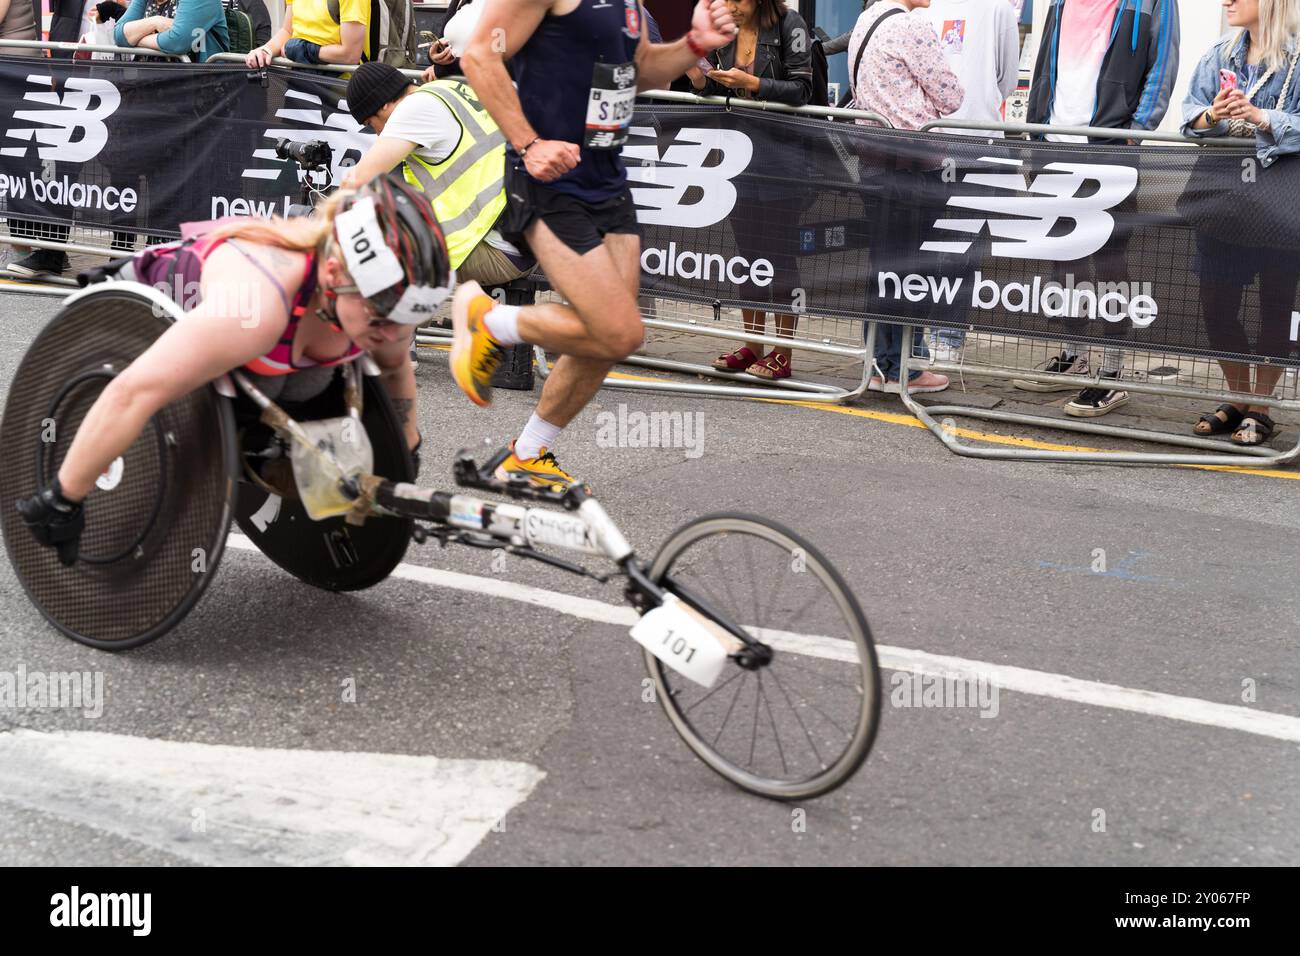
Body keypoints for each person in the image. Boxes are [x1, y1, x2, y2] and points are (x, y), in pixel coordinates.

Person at [14, 174, 447, 565]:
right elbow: (133, 391)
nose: (392, 334)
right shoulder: (255, 310)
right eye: (381, 317)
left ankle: (258, 438)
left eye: (404, 319)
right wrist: (63, 498)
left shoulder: (381, 305)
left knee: (311, 385)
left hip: (247, 349)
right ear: (333, 275)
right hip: (131, 325)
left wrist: (404, 458)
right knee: (272, 386)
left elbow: (393, 374)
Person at [455, 0, 738, 488]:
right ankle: (488, 320)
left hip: (607, 180)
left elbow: (641, 70)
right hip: (548, 180)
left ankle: (526, 454)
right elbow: (481, 55)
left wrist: (692, 46)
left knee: (603, 338)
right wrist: (529, 143)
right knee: (621, 331)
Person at [1013, 0, 1180, 417]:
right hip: (1053, 143)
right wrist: (1035, 130)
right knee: (1062, 258)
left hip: (1107, 149)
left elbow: (1162, 66)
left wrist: (1135, 133)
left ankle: (1113, 373)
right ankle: (1074, 354)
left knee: (1110, 263)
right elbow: (1043, 66)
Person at [1183, 0, 1300, 446]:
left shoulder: (1297, 58)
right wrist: (1213, 115)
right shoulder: (1219, 54)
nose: (1227, 1)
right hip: (1224, 190)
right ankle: (1239, 397)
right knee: (1215, 299)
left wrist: (1262, 117)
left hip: (1282, 192)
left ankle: (1261, 408)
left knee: (1275, 303)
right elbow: (1188, 118)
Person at [684, 0, 812, 381]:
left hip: (783, 160)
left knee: (781, 257)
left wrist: (752, 83)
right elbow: (711, 90)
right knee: (749, 256)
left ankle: (782, 352)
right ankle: (752, 344)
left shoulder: (791, 24)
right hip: (738, 157)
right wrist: (696, 75)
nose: (729, 5)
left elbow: (802, 89)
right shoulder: (725, 28)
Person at [849, 0, 961, 394]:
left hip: (873, 158)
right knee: (911, 268)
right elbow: (951, 96)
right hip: (913, 164)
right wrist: (920, 103)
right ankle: (906, 368)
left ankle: (879, 364)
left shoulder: (866, 20)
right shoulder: (913, 26)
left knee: (882, 264)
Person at [919, 0, 1020, 363]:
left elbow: (1006, 78)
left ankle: (949, 335)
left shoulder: (998, 7)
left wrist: (976, 106)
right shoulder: (924, 4)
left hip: (978, 141)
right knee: (920, 245)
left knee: (962, 246)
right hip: (927, 138)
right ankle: (915, 338)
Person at [244, 0, 368, 68]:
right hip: (300, 80)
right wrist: (266, 50)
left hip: (339, 86)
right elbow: (288, 31)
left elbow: (351, 54)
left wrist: (303, 51)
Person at [113, 0, 229, 60]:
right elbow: (118, 34)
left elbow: (176, 42)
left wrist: (133, 37)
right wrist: (155, 22)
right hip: (150, 84)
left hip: (198, 89)